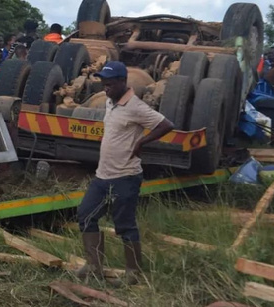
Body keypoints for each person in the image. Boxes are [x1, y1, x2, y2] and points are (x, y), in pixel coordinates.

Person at [76, 61, 173, 285]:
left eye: (109, 84)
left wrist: (142, 142)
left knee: (125, 225)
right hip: (103, 175)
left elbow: (166, 124)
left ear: (123, 82)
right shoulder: (111, 102)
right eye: (103, 84)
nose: (105, 88)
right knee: (86, 215)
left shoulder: (136, 107)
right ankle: (94, 266)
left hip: (126, 176)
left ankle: (133, 273)